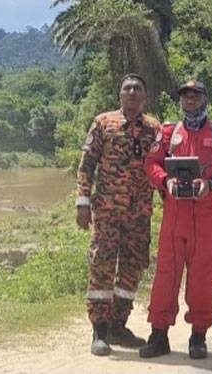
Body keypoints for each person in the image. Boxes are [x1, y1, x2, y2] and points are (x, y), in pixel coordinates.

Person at [139, 79, 212, 360]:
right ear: (180, 101)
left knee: (202, 279)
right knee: (165, 277)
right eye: (185, 97)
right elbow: (152, 164)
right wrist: (165, 182)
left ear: (205, 99)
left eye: (195, 96)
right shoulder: (169, 131)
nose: (190, 101)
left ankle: (198, 337)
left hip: (207, 218)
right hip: (175, 218)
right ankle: (158, 335)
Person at [76, 73, 162, 356]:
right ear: (120, 95)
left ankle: (118, 325)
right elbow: (87, 165)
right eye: (128, 88)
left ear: (145, 96)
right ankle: (99, 331)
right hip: (108, 214)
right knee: (102, 266)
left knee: (132, 268)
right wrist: (83, 202)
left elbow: (162, 168)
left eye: (138, 88)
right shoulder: (104, 123)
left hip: (139, 215)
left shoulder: (154, 129)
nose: (133, 92)